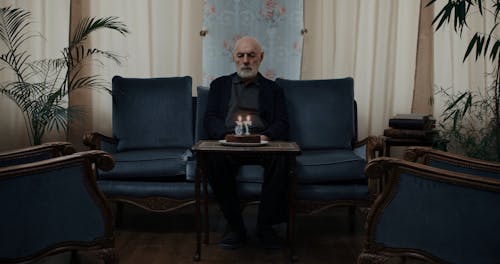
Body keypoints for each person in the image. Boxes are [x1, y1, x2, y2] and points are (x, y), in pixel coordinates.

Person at [203, 36, 289, 249]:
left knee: (282, 160)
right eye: (240, 55)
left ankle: (265, 227)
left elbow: (282, 122)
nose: (246, 60)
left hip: (262, 143)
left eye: (251, 55)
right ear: (234, 57)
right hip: (228, 141)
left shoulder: (273, 89)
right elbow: (210, 118)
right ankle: (236, 227)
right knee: (212, 159)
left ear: (261, 57)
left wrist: (266, 136)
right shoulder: (219, 85)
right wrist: (225, 136)